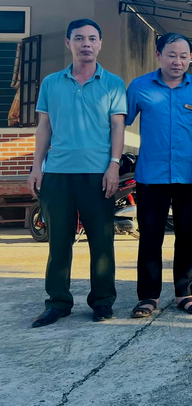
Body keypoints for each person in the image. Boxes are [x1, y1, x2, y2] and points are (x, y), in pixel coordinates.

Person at [29, 19, 127, 327]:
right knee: (59, 241)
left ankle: (102, 301)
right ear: (68, 43)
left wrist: (114, 165)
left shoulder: (113, 83)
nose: (86, 43)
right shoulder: (51, 83)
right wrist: (36, 166)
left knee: (101, 242)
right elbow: (43, 127)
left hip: (97, 174)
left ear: (100, 44)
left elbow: (117, 127)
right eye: (80, 38)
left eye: (92, 38)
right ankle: (58, 301)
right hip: (57, 173)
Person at [126, 33, 192, 318]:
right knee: (150, 237)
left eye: (184, 56)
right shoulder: (139, 87)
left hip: (190, 177)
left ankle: (184, 293)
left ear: (190, 58)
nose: (178, 61)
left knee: (187, 237)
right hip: (152, 176)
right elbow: (118, 123)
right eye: (172, 55)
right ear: (159, 55)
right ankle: (148, 297)